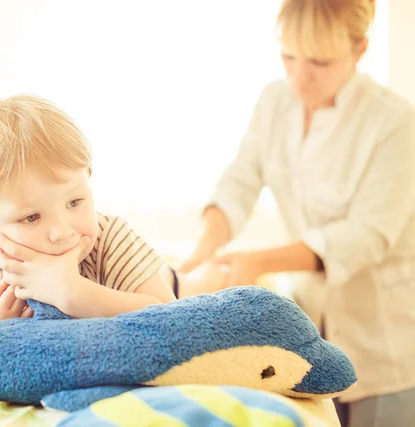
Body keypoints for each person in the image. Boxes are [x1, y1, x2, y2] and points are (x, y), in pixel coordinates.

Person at [177, 0, 415, 426]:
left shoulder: (395, 122)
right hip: (312, 329)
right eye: (289, 55)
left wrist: (259, 261)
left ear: (360, 49)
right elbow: (240, 182)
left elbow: (365, 236)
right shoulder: (274, 102)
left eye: (320, 61)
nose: (299, 76)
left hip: (386, 344)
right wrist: (200, 255)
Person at [0, 94, 175, 326]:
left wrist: (75, 294)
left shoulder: (109, 239)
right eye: (31, 218)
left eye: (74, 202)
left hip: (171, 282)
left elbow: (173, 318)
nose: (62, 232)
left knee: (196, 282)